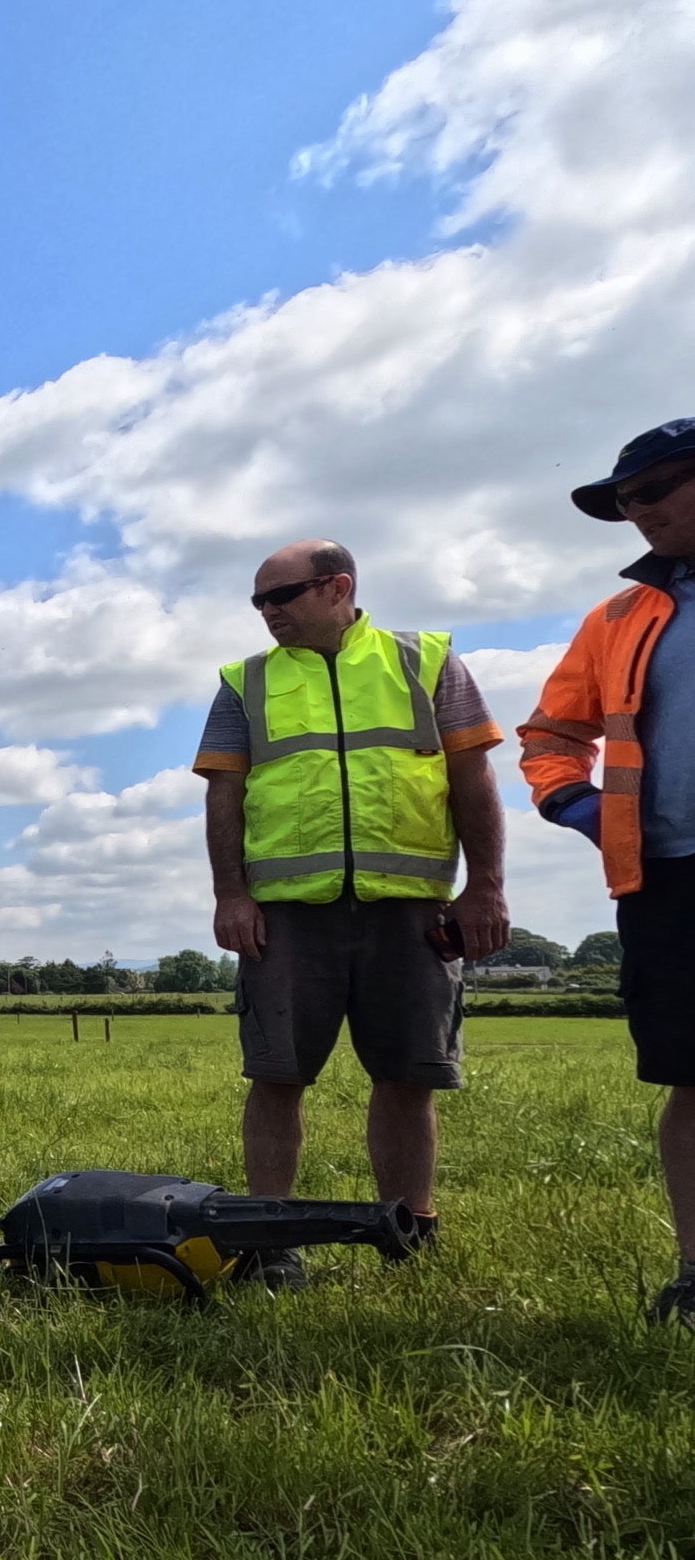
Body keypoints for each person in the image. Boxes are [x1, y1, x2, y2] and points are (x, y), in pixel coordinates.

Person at [194, 539, 508, 1281]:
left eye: (283, 597)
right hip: (286, 916)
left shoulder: (425, 661)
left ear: (338, 587)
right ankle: (271, 1244)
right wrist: (231, 894)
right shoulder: (246, 682)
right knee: (277, 1078)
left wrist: (486, 886)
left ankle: (408, 1229)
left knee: (407, 1075)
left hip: (410, 909)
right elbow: (223, 794)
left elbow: (472, 774)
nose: (267, 614)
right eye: (258, 603)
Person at [519, 416, 695, 1323]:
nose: (636, 514)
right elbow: (550, 736)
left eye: (652, 491)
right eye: (623, 502)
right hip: (668, 880)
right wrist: (583, 809)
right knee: (691, 1078)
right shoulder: (617, 619)